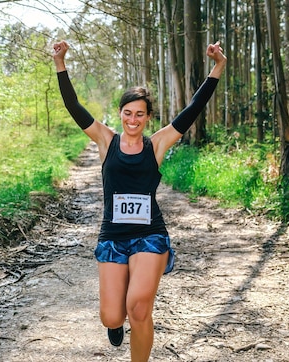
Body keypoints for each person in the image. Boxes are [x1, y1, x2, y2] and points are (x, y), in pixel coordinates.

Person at [52, 40, 226, 361]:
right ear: (120, 114)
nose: (133, 120)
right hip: (114, 237)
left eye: (140, 115)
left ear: (148, 118)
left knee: (139, 308)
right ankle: (114, 324)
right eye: (128, 113)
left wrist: (217, 67)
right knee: (112, 316)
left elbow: (192, 111)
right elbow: (74, 106)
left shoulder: (156, 144)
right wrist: (60, 63)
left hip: (150, 234)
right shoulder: (106, 141)